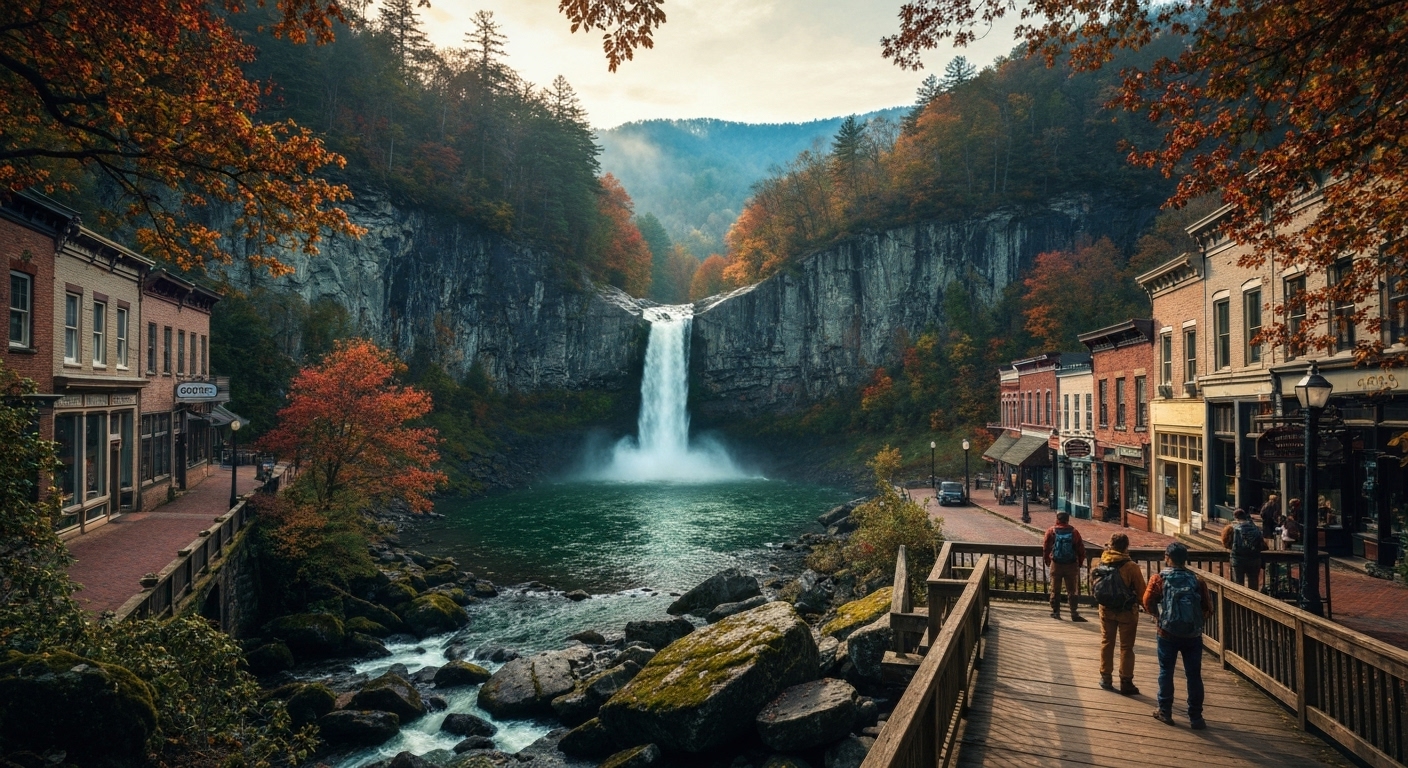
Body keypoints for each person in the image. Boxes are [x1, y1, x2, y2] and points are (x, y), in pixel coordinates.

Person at [1143, 542, 1213, 729]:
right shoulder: (1197, 581)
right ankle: (1196, 717)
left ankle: (1165, 711)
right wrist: (1195, 622)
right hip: (1192, 635)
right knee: (1194, 675)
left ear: (1168, 557)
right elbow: (1208, 607)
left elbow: (1147, 601)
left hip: (1167, 632)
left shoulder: (1159, 579)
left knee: (1166, 671)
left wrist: (1158, 617)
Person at [1091, 532, 1146, 694]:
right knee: (1126, 647)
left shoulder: (1100, 561)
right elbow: (1142, 592)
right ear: (1126, 547)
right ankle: (1126, 681)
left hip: (1106, 609)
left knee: (1107, 642)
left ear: (1111, 545)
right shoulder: (1131, 567)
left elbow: (1094, 585)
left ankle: (1106, 677)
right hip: (1127, 612)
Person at [1043, 511, 1087, 621]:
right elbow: (1080, 548)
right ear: (1067, 520)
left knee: (1055, 589)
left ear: (1057, 519)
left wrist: (1047, 560)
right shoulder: (1074, 532)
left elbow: (1046, 547)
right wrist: (1080, 562)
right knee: (1072, 590)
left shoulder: (1051, 531)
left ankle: (1056, 612)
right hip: (1071, 564)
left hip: (1056, 564)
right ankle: (1073, 613)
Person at [1220, 507, 1268, 589]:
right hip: (1254, 559)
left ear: (1236, 517)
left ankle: (1239, 601)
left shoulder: (1233, 529)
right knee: (1253, 584)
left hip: (1238, 560)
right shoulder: (1255, 529)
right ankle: (1254, 600)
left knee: (1238, 585)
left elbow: (1227, 543)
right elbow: (1262, 544)